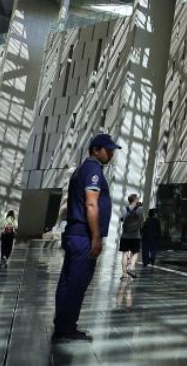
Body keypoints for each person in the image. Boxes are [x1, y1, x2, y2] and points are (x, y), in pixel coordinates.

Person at [53, 133, 120, 342]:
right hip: (84, 235)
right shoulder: (92, 170)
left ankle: (62, 324)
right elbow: (91, 204)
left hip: (76, 232)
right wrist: (96, 236)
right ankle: (67, 328)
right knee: (77, 283)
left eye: (111, 150)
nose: (110, 154)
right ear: (95, 150)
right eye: (107, 150)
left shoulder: (81, 169)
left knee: (67, 281)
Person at [119, 194, 143, 279]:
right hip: (135, 235)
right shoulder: (140, 209)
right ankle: (131, 267)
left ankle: (124, 274)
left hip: (125, 235)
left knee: (125, 253)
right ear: (135, 200)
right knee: (136, 252)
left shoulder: (124, 208)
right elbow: (141, 220)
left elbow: (122, 219)